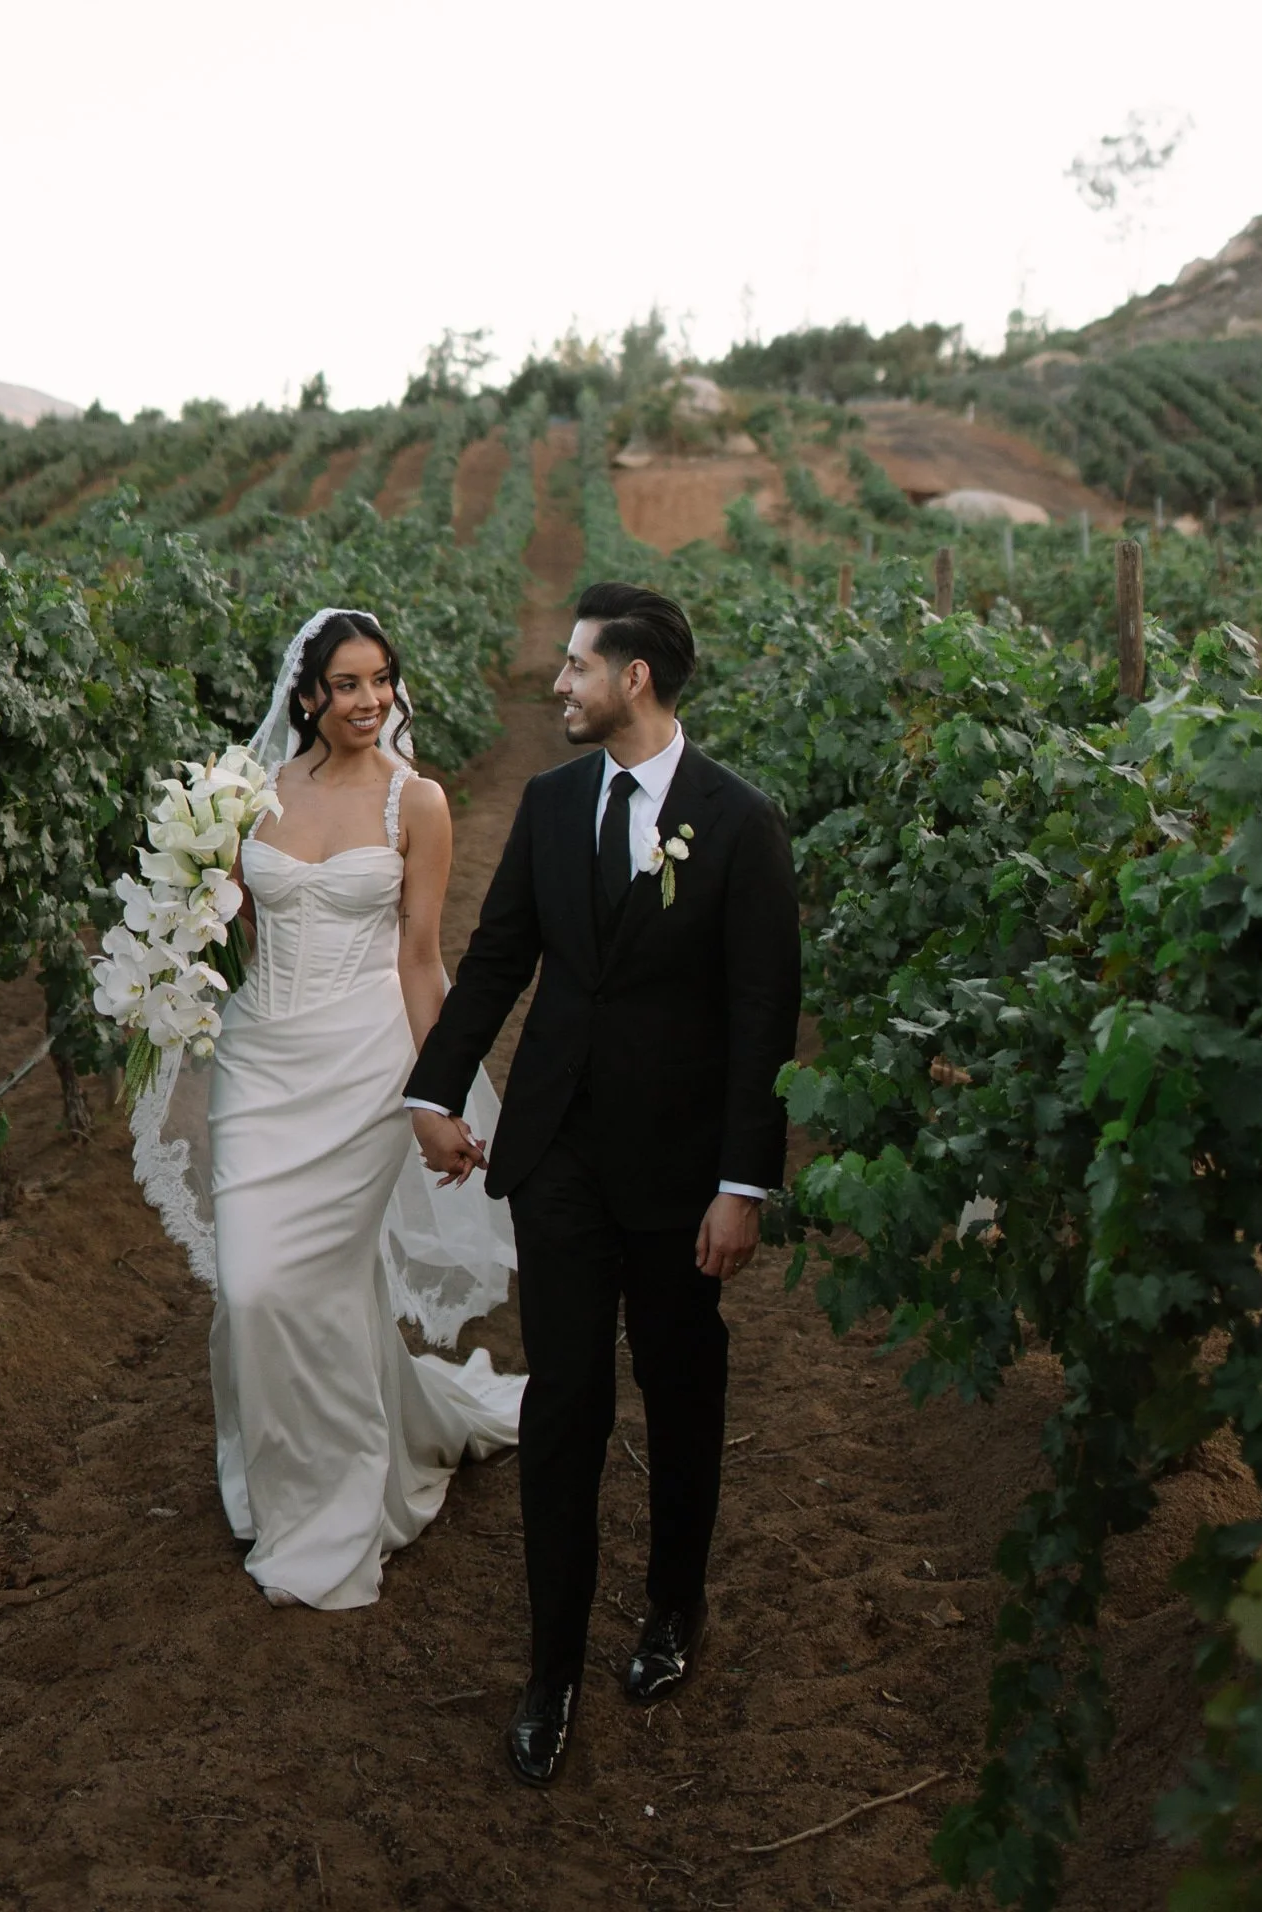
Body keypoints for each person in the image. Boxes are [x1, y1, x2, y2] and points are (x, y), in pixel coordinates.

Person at [404, 578, 803, 1785]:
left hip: (683, 1173)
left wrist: (743, 1183)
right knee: (564, 1404)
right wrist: (435, 1088)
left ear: (634, 676)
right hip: (561, 1154)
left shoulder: (742, 823)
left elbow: (760, 1017)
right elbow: (496, 957)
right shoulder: (549, 800)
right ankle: (551, 1668)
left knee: (679, 1396)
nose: (558, 683)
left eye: (576, 665)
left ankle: (673, 1610)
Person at [130, 606, 522, 1610]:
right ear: (305, 695)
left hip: (366, 1062)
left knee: (327, 1279)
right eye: (346, 683)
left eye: (379, 679)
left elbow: (420, 956)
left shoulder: (415, 802)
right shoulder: (242, 798)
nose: (369, 699)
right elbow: (220, 923)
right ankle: (285, 1474)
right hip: (260, 1062)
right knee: (255, 1283)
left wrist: (436, 1089)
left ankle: (339, 1503)